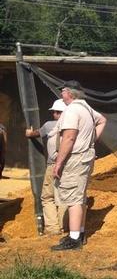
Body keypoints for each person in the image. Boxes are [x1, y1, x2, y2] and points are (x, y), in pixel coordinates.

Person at [51, 82, 106, 251]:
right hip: (85, 156)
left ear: (70, 93)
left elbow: (69, 137)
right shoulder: (87, 108)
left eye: (63, 91)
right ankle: (78, 234)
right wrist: (90, 141)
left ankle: (74, 239)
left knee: (73, 196)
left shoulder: (72, 110)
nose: (61, 94)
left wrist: (59, 163)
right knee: (80, 196)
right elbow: (103, 120)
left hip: (74, 158)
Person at [25, 99, 67, 235]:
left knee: (48, 197)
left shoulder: (50, 125)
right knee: (64, 196)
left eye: (58, 112)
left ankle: (52, 228)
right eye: (54, 111)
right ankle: (64, 226)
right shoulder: (75, 126)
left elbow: (35, 133)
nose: (54, 114)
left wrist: (29, 133)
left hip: (53, 165)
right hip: (69, 165)